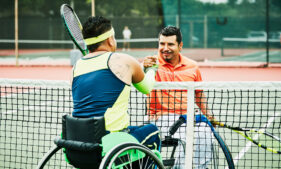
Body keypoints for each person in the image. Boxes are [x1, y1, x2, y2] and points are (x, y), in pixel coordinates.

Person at [71, 16, 161, 152]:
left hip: (78, 142)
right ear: (110, 40)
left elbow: (105, 79)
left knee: (135, 130)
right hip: (110, 142)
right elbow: (147, 88)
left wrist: (140, 66)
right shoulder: (124, 60)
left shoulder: (77, 66)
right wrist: (152, 69)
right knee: (152, 130)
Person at [143, 26, 214, 169]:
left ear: (180, 46)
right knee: (189, 134)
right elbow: (141, 77)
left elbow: (198, 94)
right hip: (160, 119)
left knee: (206, 132)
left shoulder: (192, 67)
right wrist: (144, 68)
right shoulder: (152, 65)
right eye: (162, 44)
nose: (165, 48)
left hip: (187, 117)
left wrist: (209, 116)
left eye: (170, 44)